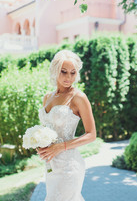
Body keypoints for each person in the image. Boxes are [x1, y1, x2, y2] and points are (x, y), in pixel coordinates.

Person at [37, 50, 96, 201]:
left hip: (69, 166)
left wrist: (60, 147)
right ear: (55, 70)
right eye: (64, 72)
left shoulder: (78, 97)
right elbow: (47, 130)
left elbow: (91, 134)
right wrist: (40, 144)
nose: (68, 77)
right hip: (51, 164)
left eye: (73, 72)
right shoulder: (47, 98)